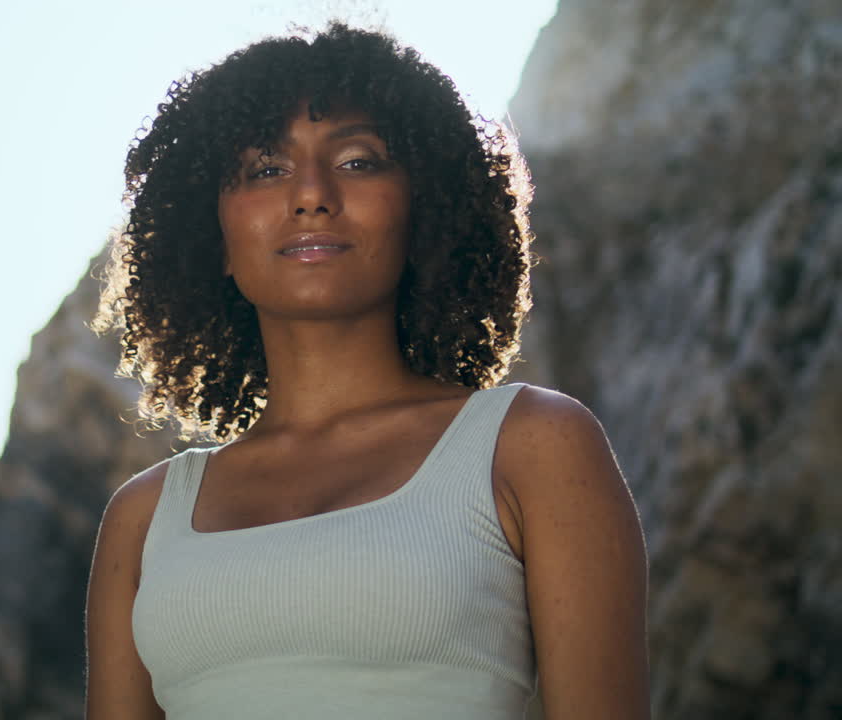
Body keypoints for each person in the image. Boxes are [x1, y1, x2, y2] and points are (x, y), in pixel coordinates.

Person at [84, 22, 649, 720]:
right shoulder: (143, 518)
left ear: (425, 209)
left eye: (358, 161)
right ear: (215, 241)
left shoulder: (532, 444)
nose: (312, 193)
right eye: (266, 168)